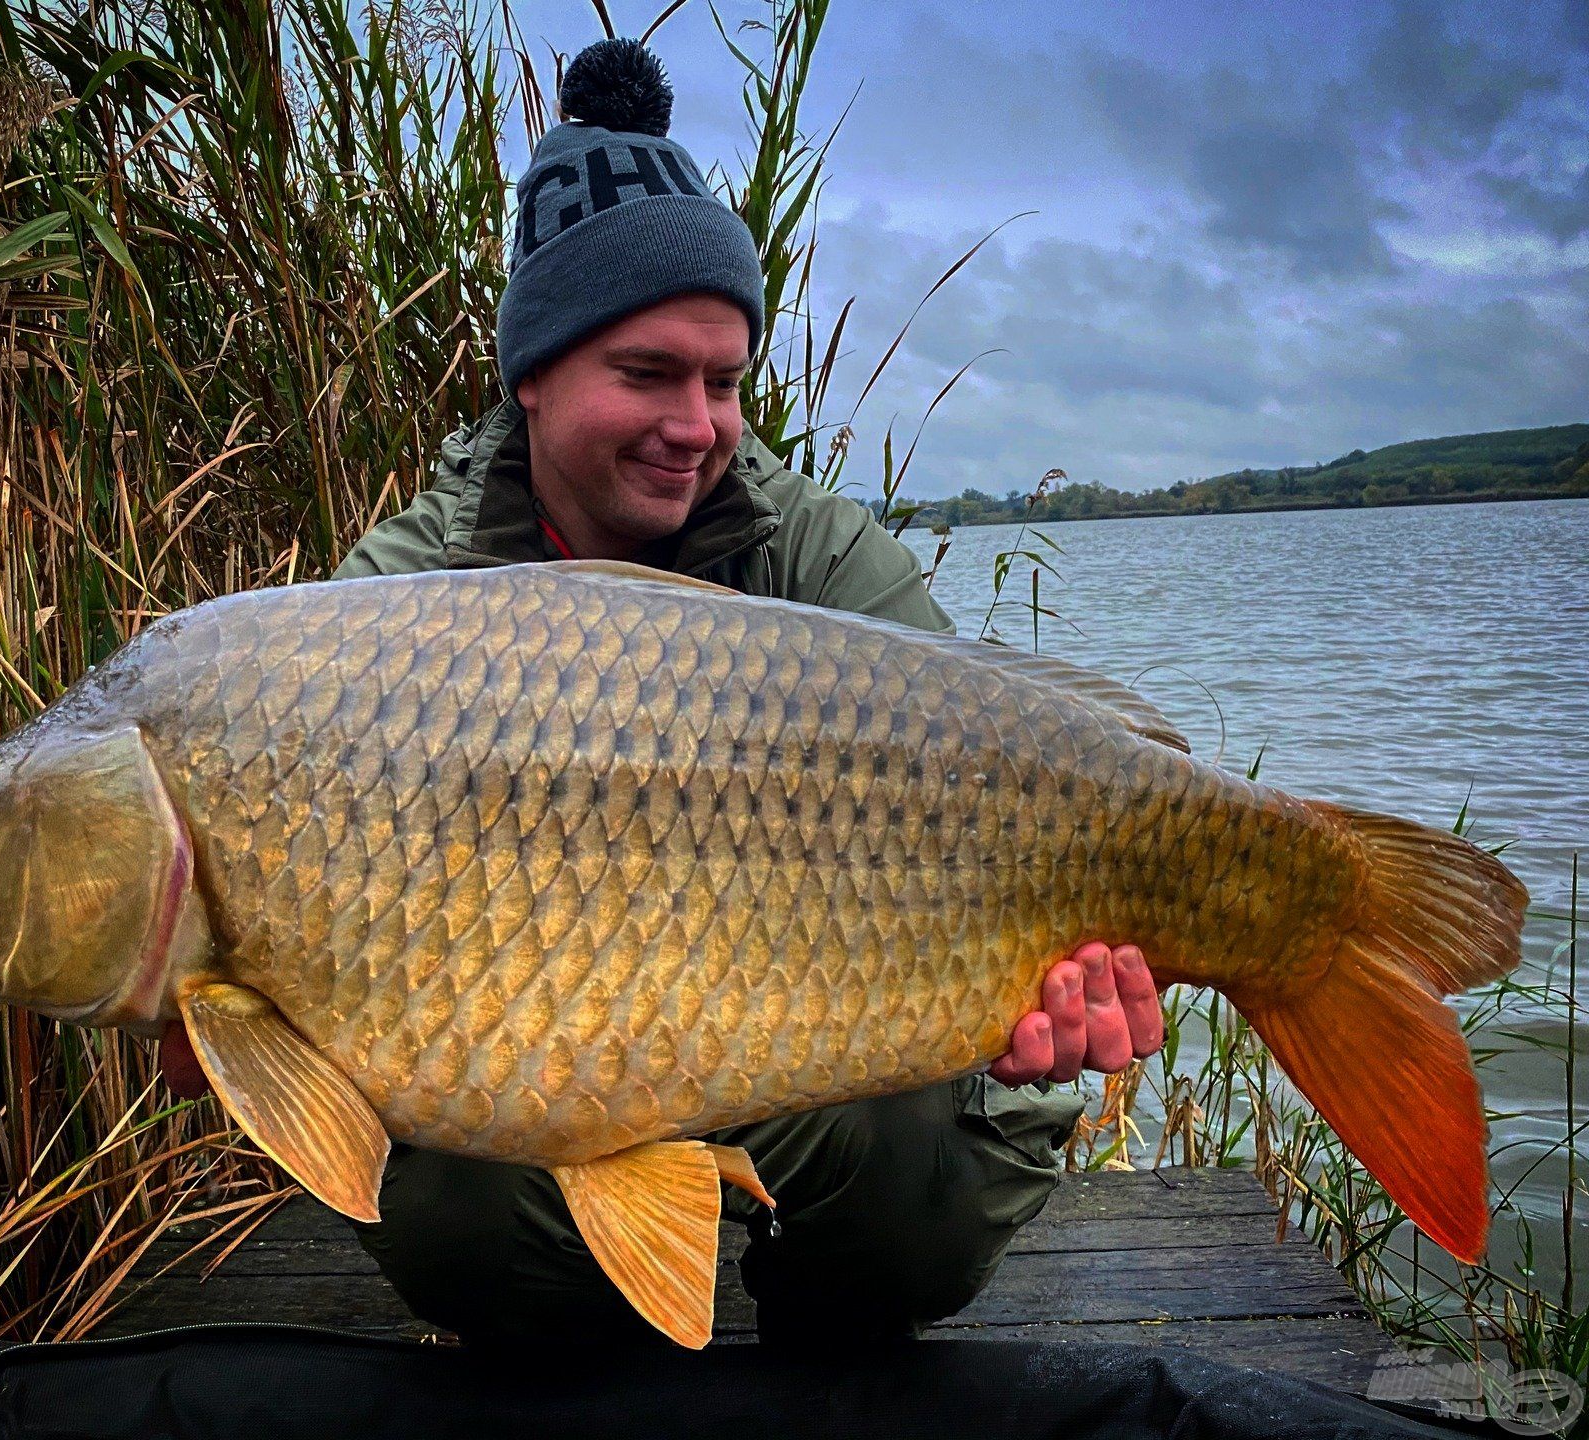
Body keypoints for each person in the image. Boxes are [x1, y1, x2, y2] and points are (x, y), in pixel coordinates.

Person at [328, 37, 1165, 1348]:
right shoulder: (392, 602)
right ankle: (586, 1340)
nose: (698, 426)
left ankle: (823, 1343)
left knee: (922, 1192)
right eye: (648, 375)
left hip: (806, 1036)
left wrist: (1036, 993)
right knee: (460, 1220)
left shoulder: (817, 561)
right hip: (525, 1058)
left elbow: (1005, 783)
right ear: (531, 373)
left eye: (724, 382)